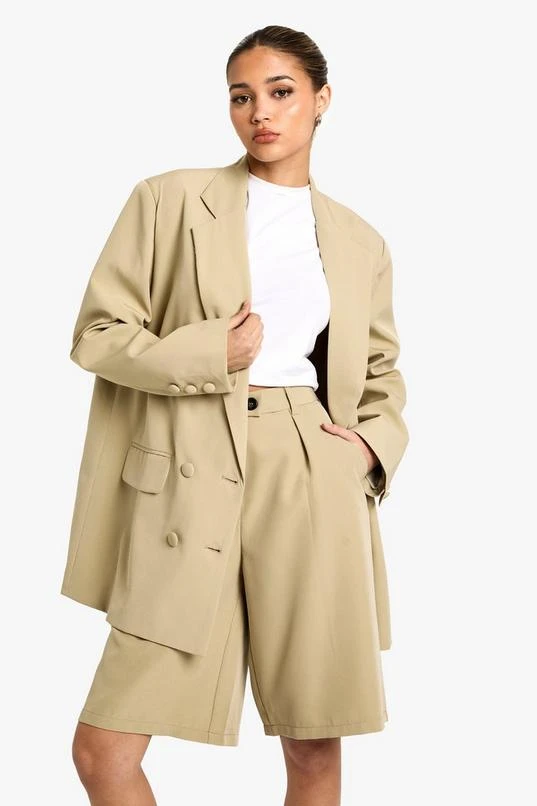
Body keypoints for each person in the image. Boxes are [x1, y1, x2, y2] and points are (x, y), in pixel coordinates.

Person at [65, 24, 409, 806]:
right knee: (103, 750)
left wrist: (366, 449)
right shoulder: (167, 199)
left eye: (281, 92)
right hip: (188, 462)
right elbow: (97, 334)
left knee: (312, 743)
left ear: (321, 99)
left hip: (308, 466)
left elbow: (381, 373)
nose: (261, 113)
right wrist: (205, 352)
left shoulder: (360, 241)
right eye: (241, 97)